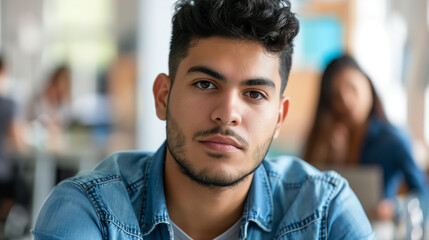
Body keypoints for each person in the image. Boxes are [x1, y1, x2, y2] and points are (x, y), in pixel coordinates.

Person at [32, 1, 374, 239]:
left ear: (279, 118)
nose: (227, 113)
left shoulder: (324, 212)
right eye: (205, 84)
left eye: (254, 93)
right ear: (163, 97)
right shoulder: (90, 209)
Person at [303, 55, 429, 221]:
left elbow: (424, 197)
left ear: (368, 85)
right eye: (337, 96)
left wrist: (396, 210)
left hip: (377, 227)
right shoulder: (327, 140)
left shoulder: (393, 139)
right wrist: (333, 156)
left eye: (352, 88)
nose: (347, 100)